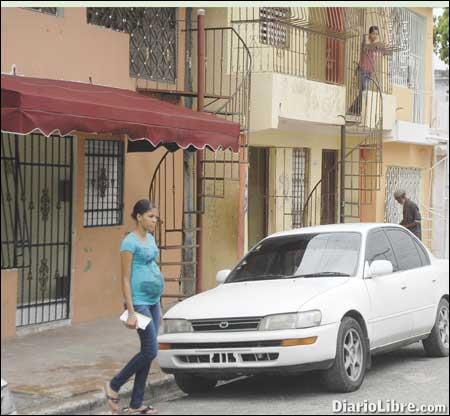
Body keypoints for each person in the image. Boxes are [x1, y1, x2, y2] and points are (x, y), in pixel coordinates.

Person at [104, 199, 164, 415]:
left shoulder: (150, 238)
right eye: (150, 216)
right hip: (138, 301)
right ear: (138, 216)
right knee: (150, 350)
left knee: (147, 352)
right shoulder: (129, 243)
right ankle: (114, 384)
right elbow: (125, 278)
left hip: (154, 300)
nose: (154, 221)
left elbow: (152, 266)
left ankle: (136, 405)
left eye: (156, 217)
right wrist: (130, 312)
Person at [349, 26, 392, 115]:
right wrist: (379, 45)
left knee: (363, 92)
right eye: (373, 33)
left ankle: (354, 110)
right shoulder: (366, 43)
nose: (375, 36)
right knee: (364, 91)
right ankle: (354, 110)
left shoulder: (377, 47)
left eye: (376, 34)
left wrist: (386, 47)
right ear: (369, 34)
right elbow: (368, 47)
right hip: (362, 70)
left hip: (369, 73)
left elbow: (388, 52)